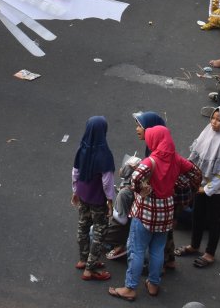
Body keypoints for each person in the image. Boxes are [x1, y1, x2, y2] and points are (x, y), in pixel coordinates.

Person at [107, 125, 202, 302]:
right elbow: (196, 173)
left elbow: (135, 178)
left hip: (146, 211)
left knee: (136, 250)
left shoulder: (150, 161)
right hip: (166, 211)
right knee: (157, 250)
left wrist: (142, 190)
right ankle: (153, 284)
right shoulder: (176, 159)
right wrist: (186, 188)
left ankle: (130, 288)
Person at [179, 105, 220, 268]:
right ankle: (194, 245)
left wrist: (206, 189)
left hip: (216, 190)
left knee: (213, 220)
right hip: (200, 184)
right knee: (197, 215)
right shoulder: (206, 133)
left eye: (219, 120)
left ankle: (210, 253)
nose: (214, 122)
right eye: (213, 118)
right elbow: (195, 158)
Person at [73, 116, 116, 281]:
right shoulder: (104, 154)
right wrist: (110, 201)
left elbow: (75, 172)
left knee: (82, 226)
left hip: (83, 195)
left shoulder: (81, 149)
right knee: (100, 231)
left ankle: (83, 259)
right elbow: (107, 183)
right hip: (98, 199)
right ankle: (90, 269)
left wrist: (75, 190)